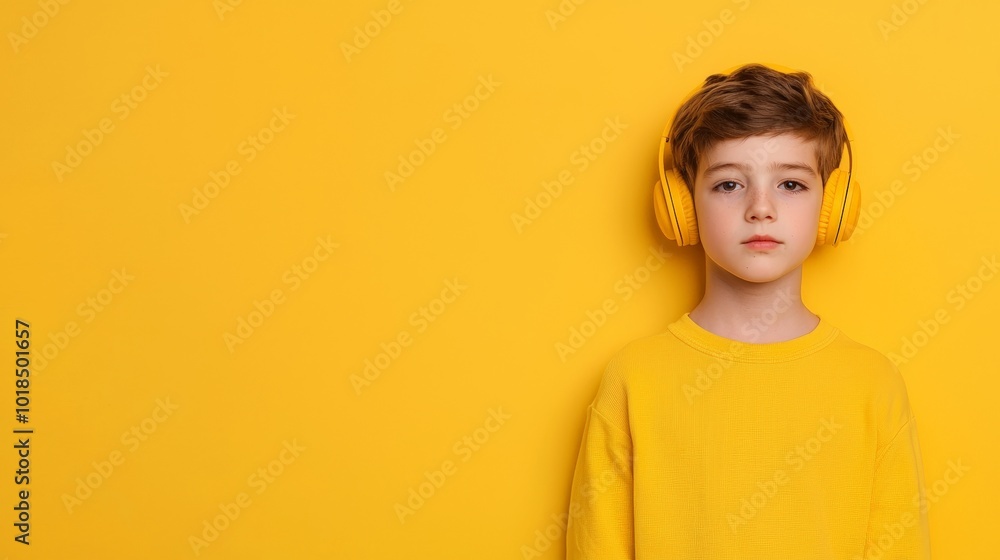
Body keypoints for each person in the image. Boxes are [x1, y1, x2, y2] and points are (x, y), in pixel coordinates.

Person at [565, 63, 930, 559]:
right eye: (729, 185)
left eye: (792, 185)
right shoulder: (633, 378)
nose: (761, 208)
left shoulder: (872, 381)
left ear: (833, 206)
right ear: (682, 206)